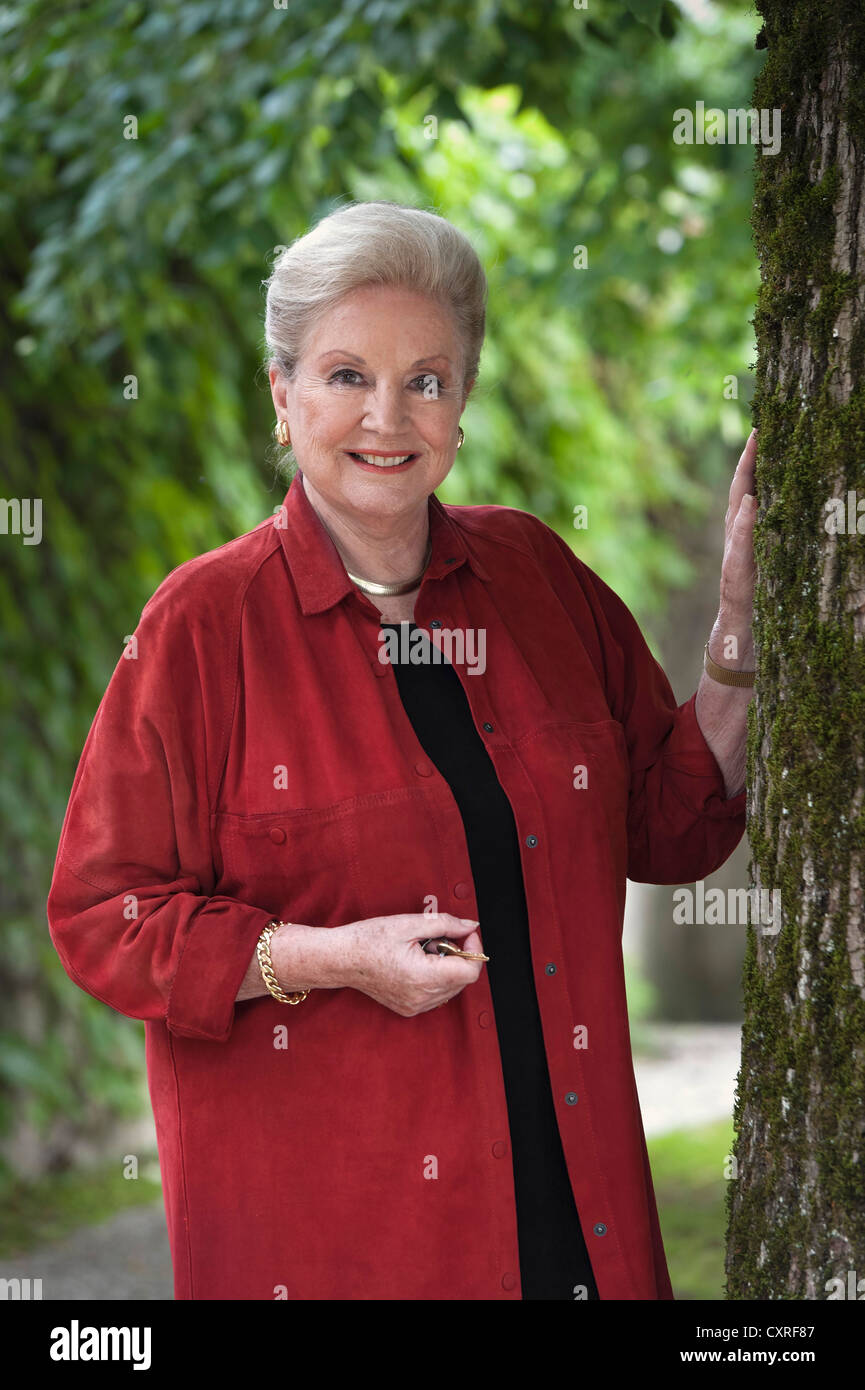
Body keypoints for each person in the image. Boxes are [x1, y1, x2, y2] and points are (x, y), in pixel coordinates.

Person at [47, 200, 756, 1301]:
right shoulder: (202, 626)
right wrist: (326, 957)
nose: (388, 414)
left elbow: (674, 821)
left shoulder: (532, 574)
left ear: (461, 404)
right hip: (339, 1250)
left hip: (579, 1232)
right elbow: (103, 917)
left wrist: (739, 629)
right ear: (282, 397)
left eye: (426, 378)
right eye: (345, 375)